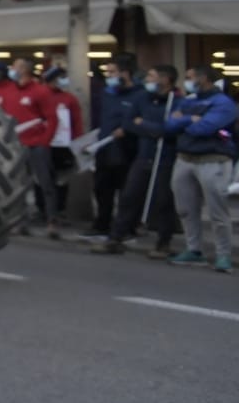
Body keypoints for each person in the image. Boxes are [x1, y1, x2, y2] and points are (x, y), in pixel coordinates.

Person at [97, 66, 181, 256]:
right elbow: (128, 123)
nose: (147, 79)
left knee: (163, 200)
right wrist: (151, 129)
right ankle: (116, 238)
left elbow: (168, 130)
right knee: (129, 196)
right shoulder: (142, 98)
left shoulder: (176, 102)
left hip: (165, 157)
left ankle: (163, 242)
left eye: (152, 75)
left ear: (165, 79)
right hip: (143, 155)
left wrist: (143, 124)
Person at [165, 64, 236, 272]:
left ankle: (224, 255)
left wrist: (183, 122)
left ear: (203, 78)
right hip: (185, 158)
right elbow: (169, 125)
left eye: (190, 77)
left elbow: (204, 128)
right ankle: (194, 250)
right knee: (185, 209)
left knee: (218, 211)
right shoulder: (187, 101)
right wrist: (189, 119)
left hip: (213, 160)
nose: (186, 81)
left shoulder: (224, 103)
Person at [0, 56, 60, 234]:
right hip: (16, 146)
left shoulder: (40, 91)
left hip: (37, 144)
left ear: (24, 70)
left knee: (45, 183)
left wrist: (45, 141)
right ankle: (22, 221)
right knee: (20, 185)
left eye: (15, 66)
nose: (12, 69)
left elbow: (52, 118)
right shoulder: (8, 90)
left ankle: (52, 221)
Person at [89, 54, 139, 236]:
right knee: (102, 189)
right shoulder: (107, 93)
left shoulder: (139, 95)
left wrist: (128, 129)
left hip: (128, 150)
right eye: (107, 72)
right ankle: (101, 224)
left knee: (127, 192)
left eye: (112, 72)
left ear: (125, 73)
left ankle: (127, 227)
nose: (109, 76)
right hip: (104, 148)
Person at [41, 65, 84, 220]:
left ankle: (60, 210)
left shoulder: (69, 99)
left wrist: (78, 142)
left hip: (63, 146)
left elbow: (77, 122)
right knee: (42, 179)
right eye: (62, 77)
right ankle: (43, 211)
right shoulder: (40, 96)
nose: (65, 80)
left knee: (62, 180)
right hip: (43, 144)